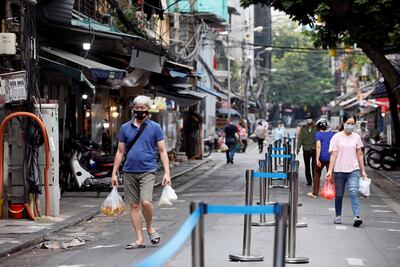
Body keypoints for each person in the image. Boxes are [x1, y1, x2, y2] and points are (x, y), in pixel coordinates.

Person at [111, 95, 171, 249]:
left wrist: (167, 173)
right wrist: (114, 173)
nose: (139, 111)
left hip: (148, 170)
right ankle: (139, 239)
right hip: (129, 171)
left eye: (142, 108)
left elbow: (163, 151)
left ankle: (150, 227)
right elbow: (120, 151)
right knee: (134, 206)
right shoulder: (125, 127)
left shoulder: (155, 127)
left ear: (148, 110)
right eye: (136, 108)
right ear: (133, 109)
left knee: (146, 201)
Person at [325, 113, 368, 227]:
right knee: (339, 195)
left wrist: (363, 171)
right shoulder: (336, 137)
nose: (350, 125)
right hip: (339, 171)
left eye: (352, 124)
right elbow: (333, 155)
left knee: (354, 192)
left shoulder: (356, 137)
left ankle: (356, 217)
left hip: (353, 170)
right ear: (343, 123)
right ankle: (338, 216)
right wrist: (330, 171)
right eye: (348, 123)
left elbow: (360, 155)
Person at [307, 118, 335, 198]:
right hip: (331, 156)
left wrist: (317, 158)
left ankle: (315, 193)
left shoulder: (318, 134)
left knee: (317, 173)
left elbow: (318, 146)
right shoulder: (332, 134)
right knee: (331, 174)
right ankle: (333, 192)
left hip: (322, 157)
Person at [297, 113, 318, 185]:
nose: (309, 119)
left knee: (314, 165)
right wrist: (298, 148)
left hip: (314, 149)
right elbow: (300, 138)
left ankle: (315, 179)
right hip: (306, 149)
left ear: (312, 119)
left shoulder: (316, 128)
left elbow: (319, 138)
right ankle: (309, 181)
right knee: (307, 165)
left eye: (310, 118)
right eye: (307, 118)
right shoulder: (303, 128)